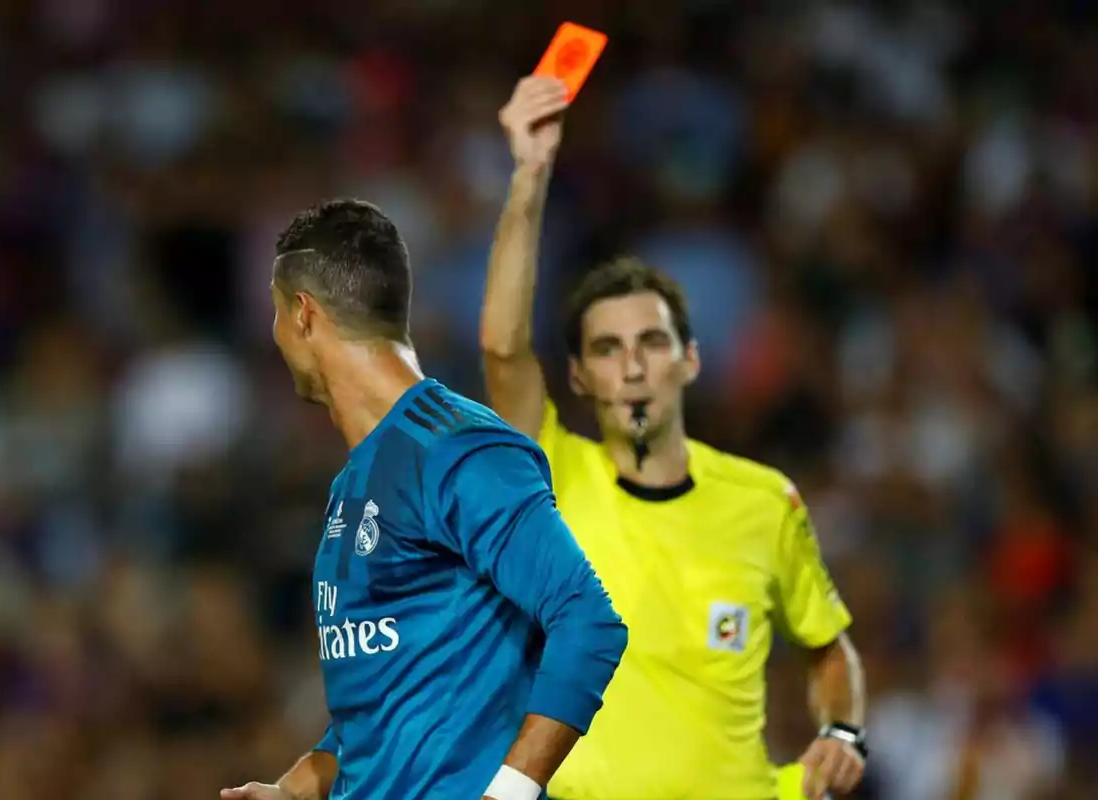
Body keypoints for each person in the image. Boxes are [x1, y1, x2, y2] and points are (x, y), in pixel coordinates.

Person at [480, 76, 868, 800]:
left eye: (651, 342)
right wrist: (530, 176)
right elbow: (503, 349)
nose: (631, 364)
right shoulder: (552, 478)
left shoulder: (764, 501)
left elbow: (830, 649)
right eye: (606, 349)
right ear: (580, 377)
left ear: (690, 359)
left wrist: (840, 732)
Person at [221, 200, 628, 800]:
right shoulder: (358, 478)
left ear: (304, 316)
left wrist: (510, 793)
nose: (274, 336)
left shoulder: (456, 449)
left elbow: (588, 620)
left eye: (277, 315)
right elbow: (389, 702)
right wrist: (297, 786)